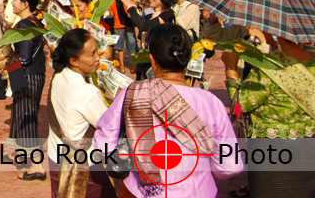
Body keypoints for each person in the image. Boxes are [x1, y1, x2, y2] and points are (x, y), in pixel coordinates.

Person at [94, 24, 243, 197]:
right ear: (187, 59)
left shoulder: (134, 92)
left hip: (141, 190)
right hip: (196, 191)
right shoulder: (211, 103)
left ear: (153, 60)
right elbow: (230, 165)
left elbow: (103, 142)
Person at [224, 30, 314, 198]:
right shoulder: (311, 60)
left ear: (276, 32)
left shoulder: (269, 68)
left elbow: (240, 104)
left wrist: (231, 68)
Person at [47, 28, 116, 197]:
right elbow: (109, 127)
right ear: (74, 60)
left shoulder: (58, 76)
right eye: (92, 54)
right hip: (84, 166)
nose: (98, 57)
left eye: (97, 51)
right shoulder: (87, 92)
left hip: (56, 156)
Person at [0, 0, 46, 181]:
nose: (12, 3)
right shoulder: (32, 22)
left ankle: (37, 165)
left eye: (15, 0)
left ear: (25, 4)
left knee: (27, 119)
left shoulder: (25, 26)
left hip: (28, 76)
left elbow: (23, 58)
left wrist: (5, 63)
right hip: (31, 74)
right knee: (24, 115)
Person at [118, 0, 176, 79]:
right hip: (145, 59)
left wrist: (130, 6)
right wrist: (122, 3)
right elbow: (132, 22)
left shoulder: (168, 14)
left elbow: (144, 26)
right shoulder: (149, 16)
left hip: (159, 61)